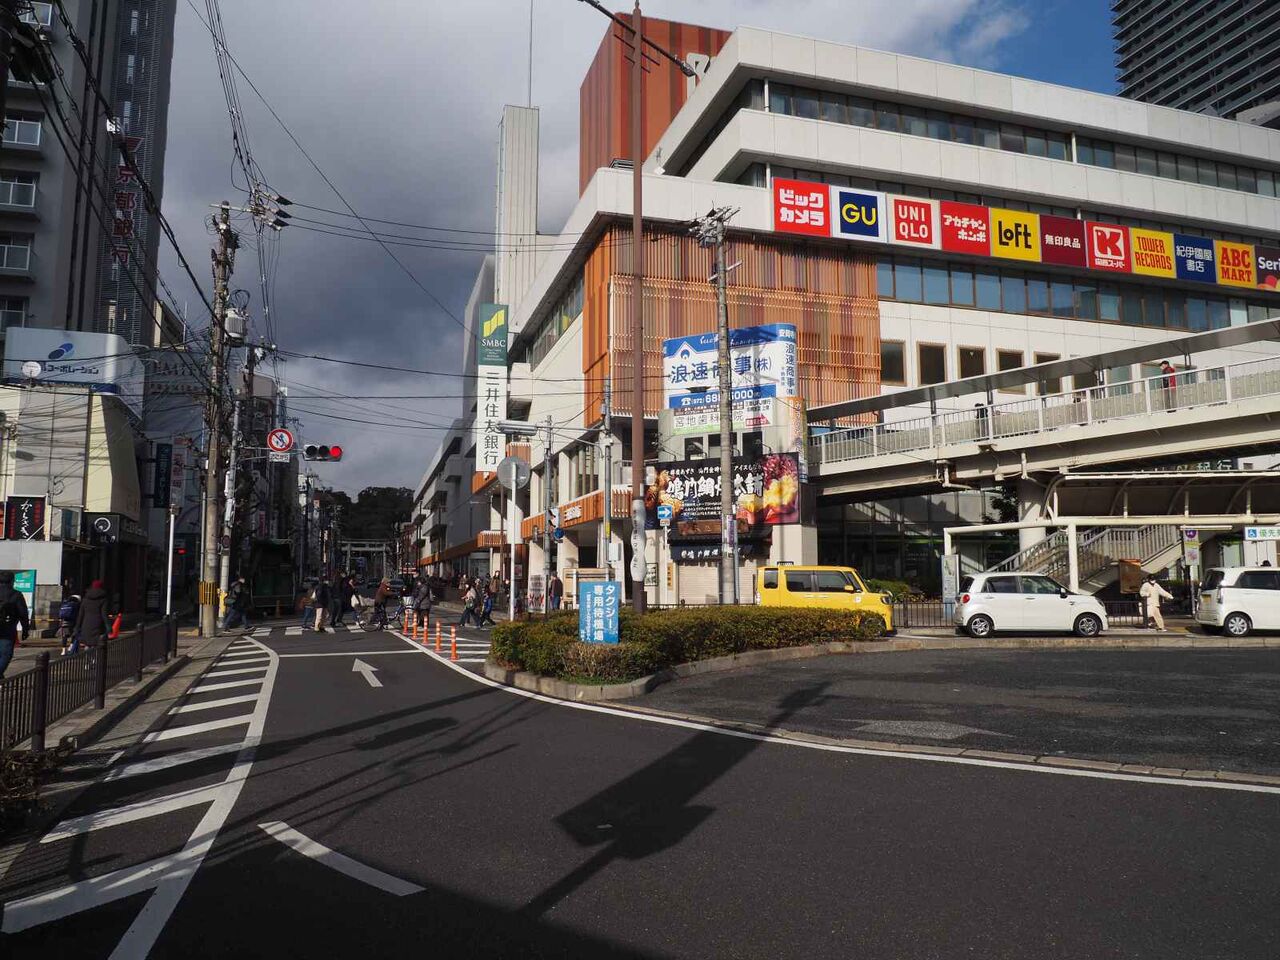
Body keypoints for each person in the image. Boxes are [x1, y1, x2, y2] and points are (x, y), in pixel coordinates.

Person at [0, 571, 31, 679]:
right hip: (7, 630)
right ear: (12, 581)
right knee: (5, 654)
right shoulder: (16, 595)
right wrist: (25, 630)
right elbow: (23, 613)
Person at [72, 579, 110, 653]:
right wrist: (108, 626)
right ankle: (95, 659)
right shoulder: (103, 600)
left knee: (87, 645)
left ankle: (87, 659)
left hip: (86, 625)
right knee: (97, 646)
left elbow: (80, 615)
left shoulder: (85, 599)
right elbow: (104, 614)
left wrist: (76, 628)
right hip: (98, 625)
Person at [58, 586, 80, 656]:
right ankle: (71, 647)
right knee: (74, 635)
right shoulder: (76, 605)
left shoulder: (65, 604)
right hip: (73, 622)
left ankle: (63, 651)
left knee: (65, 637)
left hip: (64, 623)